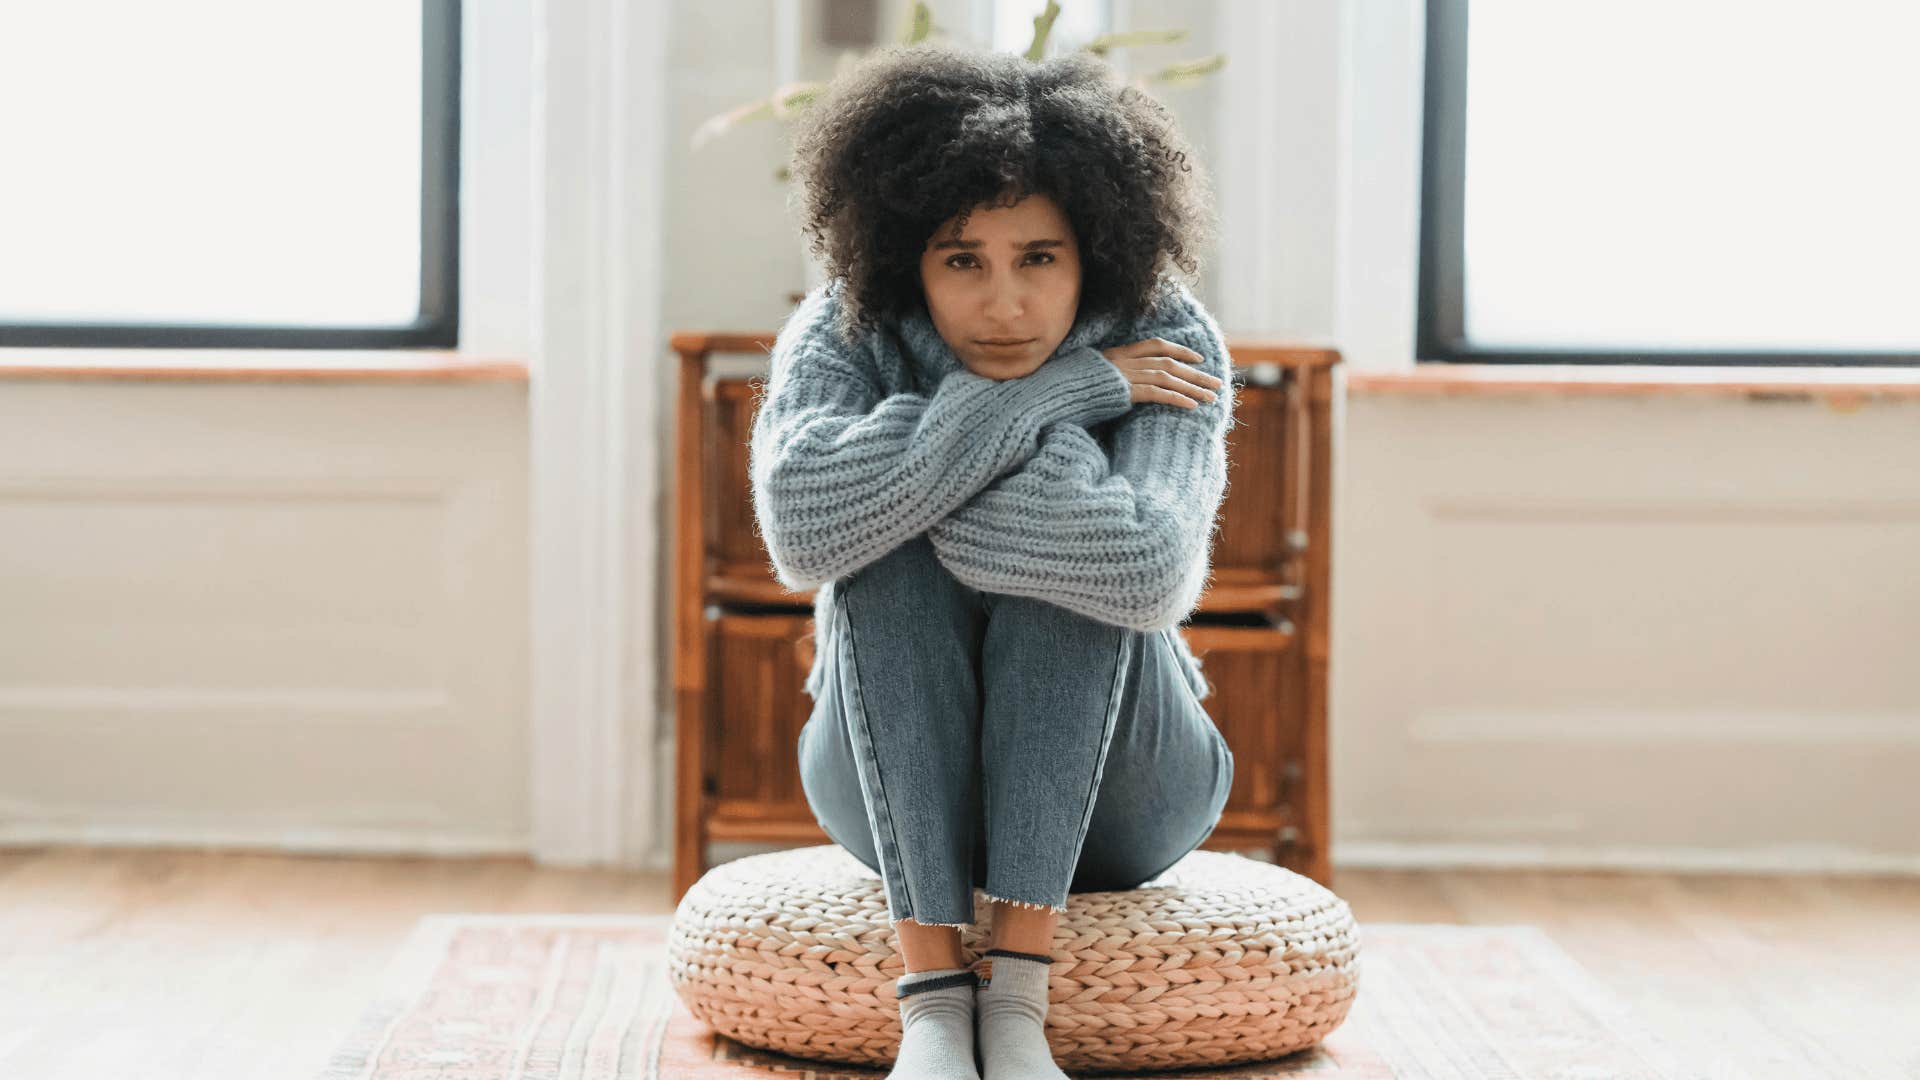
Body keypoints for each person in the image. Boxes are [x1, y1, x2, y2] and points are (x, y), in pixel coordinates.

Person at [750, 41, 1236, 1080]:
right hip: (880, 792)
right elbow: (801, 530)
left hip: (1134, 795)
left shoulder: (1168, 334)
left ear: (1095, 248)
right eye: (962, 259)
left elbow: (1146, 566)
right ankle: (933, 1003)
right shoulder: (842, 332)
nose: (1005, 303)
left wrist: (918, 486)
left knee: (1072, 572)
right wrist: (1064, 394)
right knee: (886, 563)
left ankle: (1015, 999)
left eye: (1039, 258)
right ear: (904, 256)